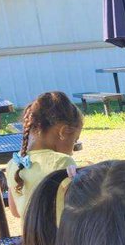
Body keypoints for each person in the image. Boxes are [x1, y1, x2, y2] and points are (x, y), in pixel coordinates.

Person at [6, 91, 82, 220]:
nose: (72, 151)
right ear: (63, 132)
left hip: (29, 233)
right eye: (75, 141)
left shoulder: (13, 163)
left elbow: (15, 211)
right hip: (59, 233)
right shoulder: (62, 162)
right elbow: (79, 207)